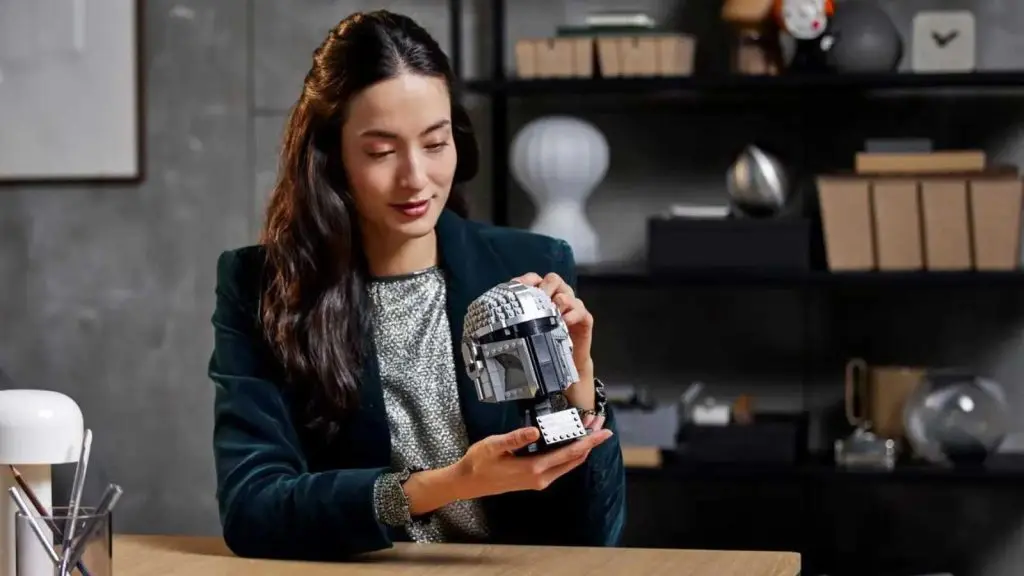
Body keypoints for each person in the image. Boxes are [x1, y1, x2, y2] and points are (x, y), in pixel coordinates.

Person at [208, 10, 625, 561]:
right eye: (381, 151)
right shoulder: (262, 286)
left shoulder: (528, 266)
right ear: (331, 158)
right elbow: (253, 508)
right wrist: (452, 483)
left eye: (435, 143)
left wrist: (578, 388)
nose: (415, 178)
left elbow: (594, 536)